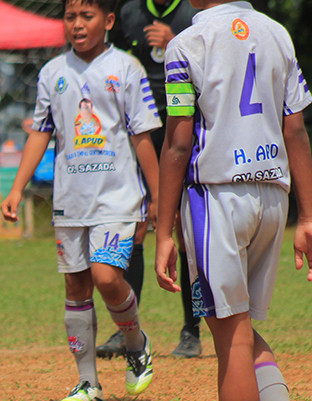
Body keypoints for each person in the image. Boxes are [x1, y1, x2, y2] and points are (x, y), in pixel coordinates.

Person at [156, 0, 312, 401]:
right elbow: (296, 132)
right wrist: (308, 216)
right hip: (273, 194)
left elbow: (179, 144)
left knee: (229, 333)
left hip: (217, 197)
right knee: (239, 327)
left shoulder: (186, 44)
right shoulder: (278, 34)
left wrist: (163, 231)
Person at [1, 0, 160, 401]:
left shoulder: (127, 68)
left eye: (86, 16)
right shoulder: (52, 73)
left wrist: (158, 196)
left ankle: (135, 342)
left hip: (118, 198)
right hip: (70, 201)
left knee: (106, 278)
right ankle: (87, 383)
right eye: (70, 17)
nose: (76, 24)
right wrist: (17, 189)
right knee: (75, 286)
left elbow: (143, 135)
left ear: (107, 21)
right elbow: (40, 133)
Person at [97, 0, 201, 359]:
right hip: (140, 134)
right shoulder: (129, 13)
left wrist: (174, 40)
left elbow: (212, 65)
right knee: (137, 226)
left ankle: (192, 330)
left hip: (182, 128)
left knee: (185, 233)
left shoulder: (192, 12)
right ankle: (128, 329)